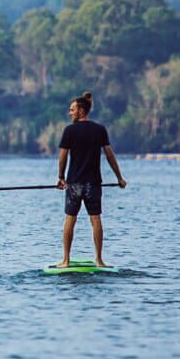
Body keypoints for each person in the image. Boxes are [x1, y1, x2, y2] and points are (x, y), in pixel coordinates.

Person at [52, 91, 127, 269]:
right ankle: (99, 260)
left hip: (75, 184)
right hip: (93, 184)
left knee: (70, 219)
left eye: (72, 110)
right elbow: (110, 156)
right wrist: (120, 178)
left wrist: (61, 178)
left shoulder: (70, 131)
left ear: (81, 111)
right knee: (95, 219)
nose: (70, 113)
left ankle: (66, 260)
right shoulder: (99, 129)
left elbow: (62, 157)